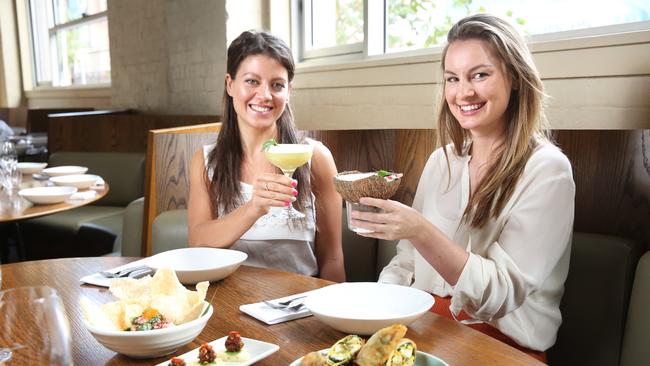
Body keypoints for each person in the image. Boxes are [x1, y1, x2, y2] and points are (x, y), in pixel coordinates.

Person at [350, 13, 574, 360]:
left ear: (514, 77)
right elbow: (406, 261)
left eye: (480, 75)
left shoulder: (548, 170)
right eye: (452, 78)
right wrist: (379, 313)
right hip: (423, 329)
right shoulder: (442, 161)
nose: (463, 92)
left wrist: (420, 230)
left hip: (504, 347)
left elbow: (498, 295)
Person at [188, 31, 346, 282]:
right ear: (230, 84)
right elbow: (197, 243)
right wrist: (254, 208)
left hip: (299, 306)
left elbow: (332, 259)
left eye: (277, 85)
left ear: (288, 91)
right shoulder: (206, 161)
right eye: (252, 81)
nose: (265, 95)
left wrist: (334, 319)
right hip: (231, 305)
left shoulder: (316, 158)